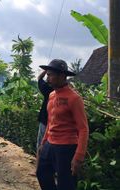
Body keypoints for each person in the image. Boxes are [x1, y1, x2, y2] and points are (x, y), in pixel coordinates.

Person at [36, 59, 89, 190]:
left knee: (66, 184)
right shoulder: (52, 95)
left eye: (50, 75)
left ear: (62, 76)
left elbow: (83, 129)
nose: (48, 78)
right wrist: (43, 143)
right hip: (49, 145)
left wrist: (79, 156)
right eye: (47, 74)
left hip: (66, 147)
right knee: (42, 174)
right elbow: (50, 121)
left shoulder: (74, 98)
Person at [36, 71, 53, 149]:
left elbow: (39, 78)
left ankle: (39, 160)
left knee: (41, 145)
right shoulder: (67, 93)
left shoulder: (47, 89)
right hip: (56, 124)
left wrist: (46, 70)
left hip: (45, 121)